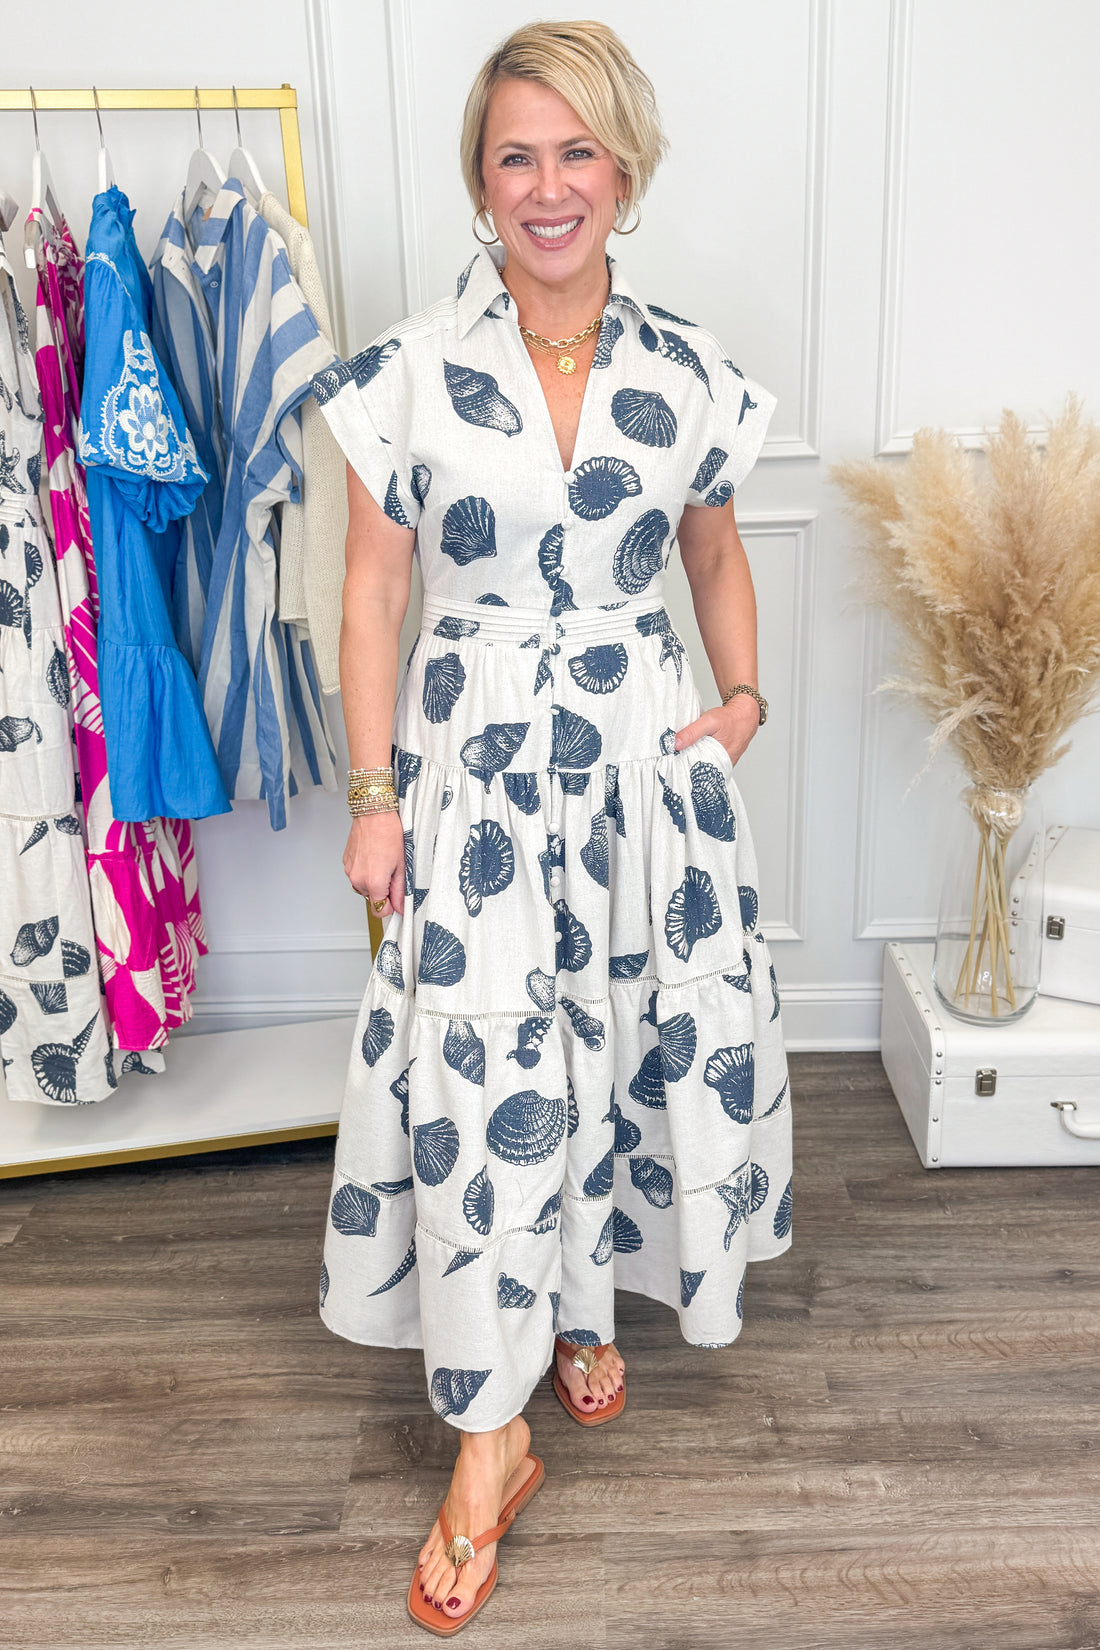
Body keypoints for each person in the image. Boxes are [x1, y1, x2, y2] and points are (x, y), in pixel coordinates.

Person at [312, 19, 793, 1634]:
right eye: (515, 154)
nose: (547, 185)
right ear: (479, 179)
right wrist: (373, 795)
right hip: (473, 775)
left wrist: (742, 698)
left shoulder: (689, 373)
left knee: (614, 1041)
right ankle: (484, 1436)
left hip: (646, 774)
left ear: (626, 172)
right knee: (484, 1070)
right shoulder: (403, 378)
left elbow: (714, 551)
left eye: (577, 151)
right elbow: (373, 594)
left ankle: (584, 1305)